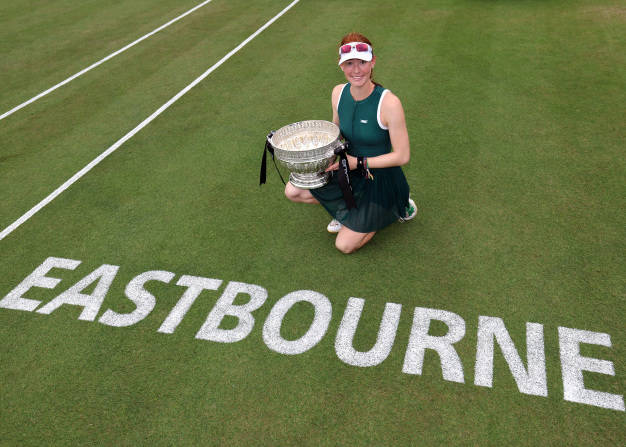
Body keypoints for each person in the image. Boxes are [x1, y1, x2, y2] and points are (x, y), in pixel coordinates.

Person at [284, 32, 417, 254]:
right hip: (349, 170)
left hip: (380, 179)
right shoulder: (338, 93)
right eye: (349, 63)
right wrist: (321, 158)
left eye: (362, 62)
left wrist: (359, 162)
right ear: (341, 65)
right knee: (293, 191)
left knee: (344, 245)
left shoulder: (389, 103)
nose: (356, 70)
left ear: (373, 62)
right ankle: (353, 213)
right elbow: (335, 133)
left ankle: (395, 205)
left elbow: (402, 156)